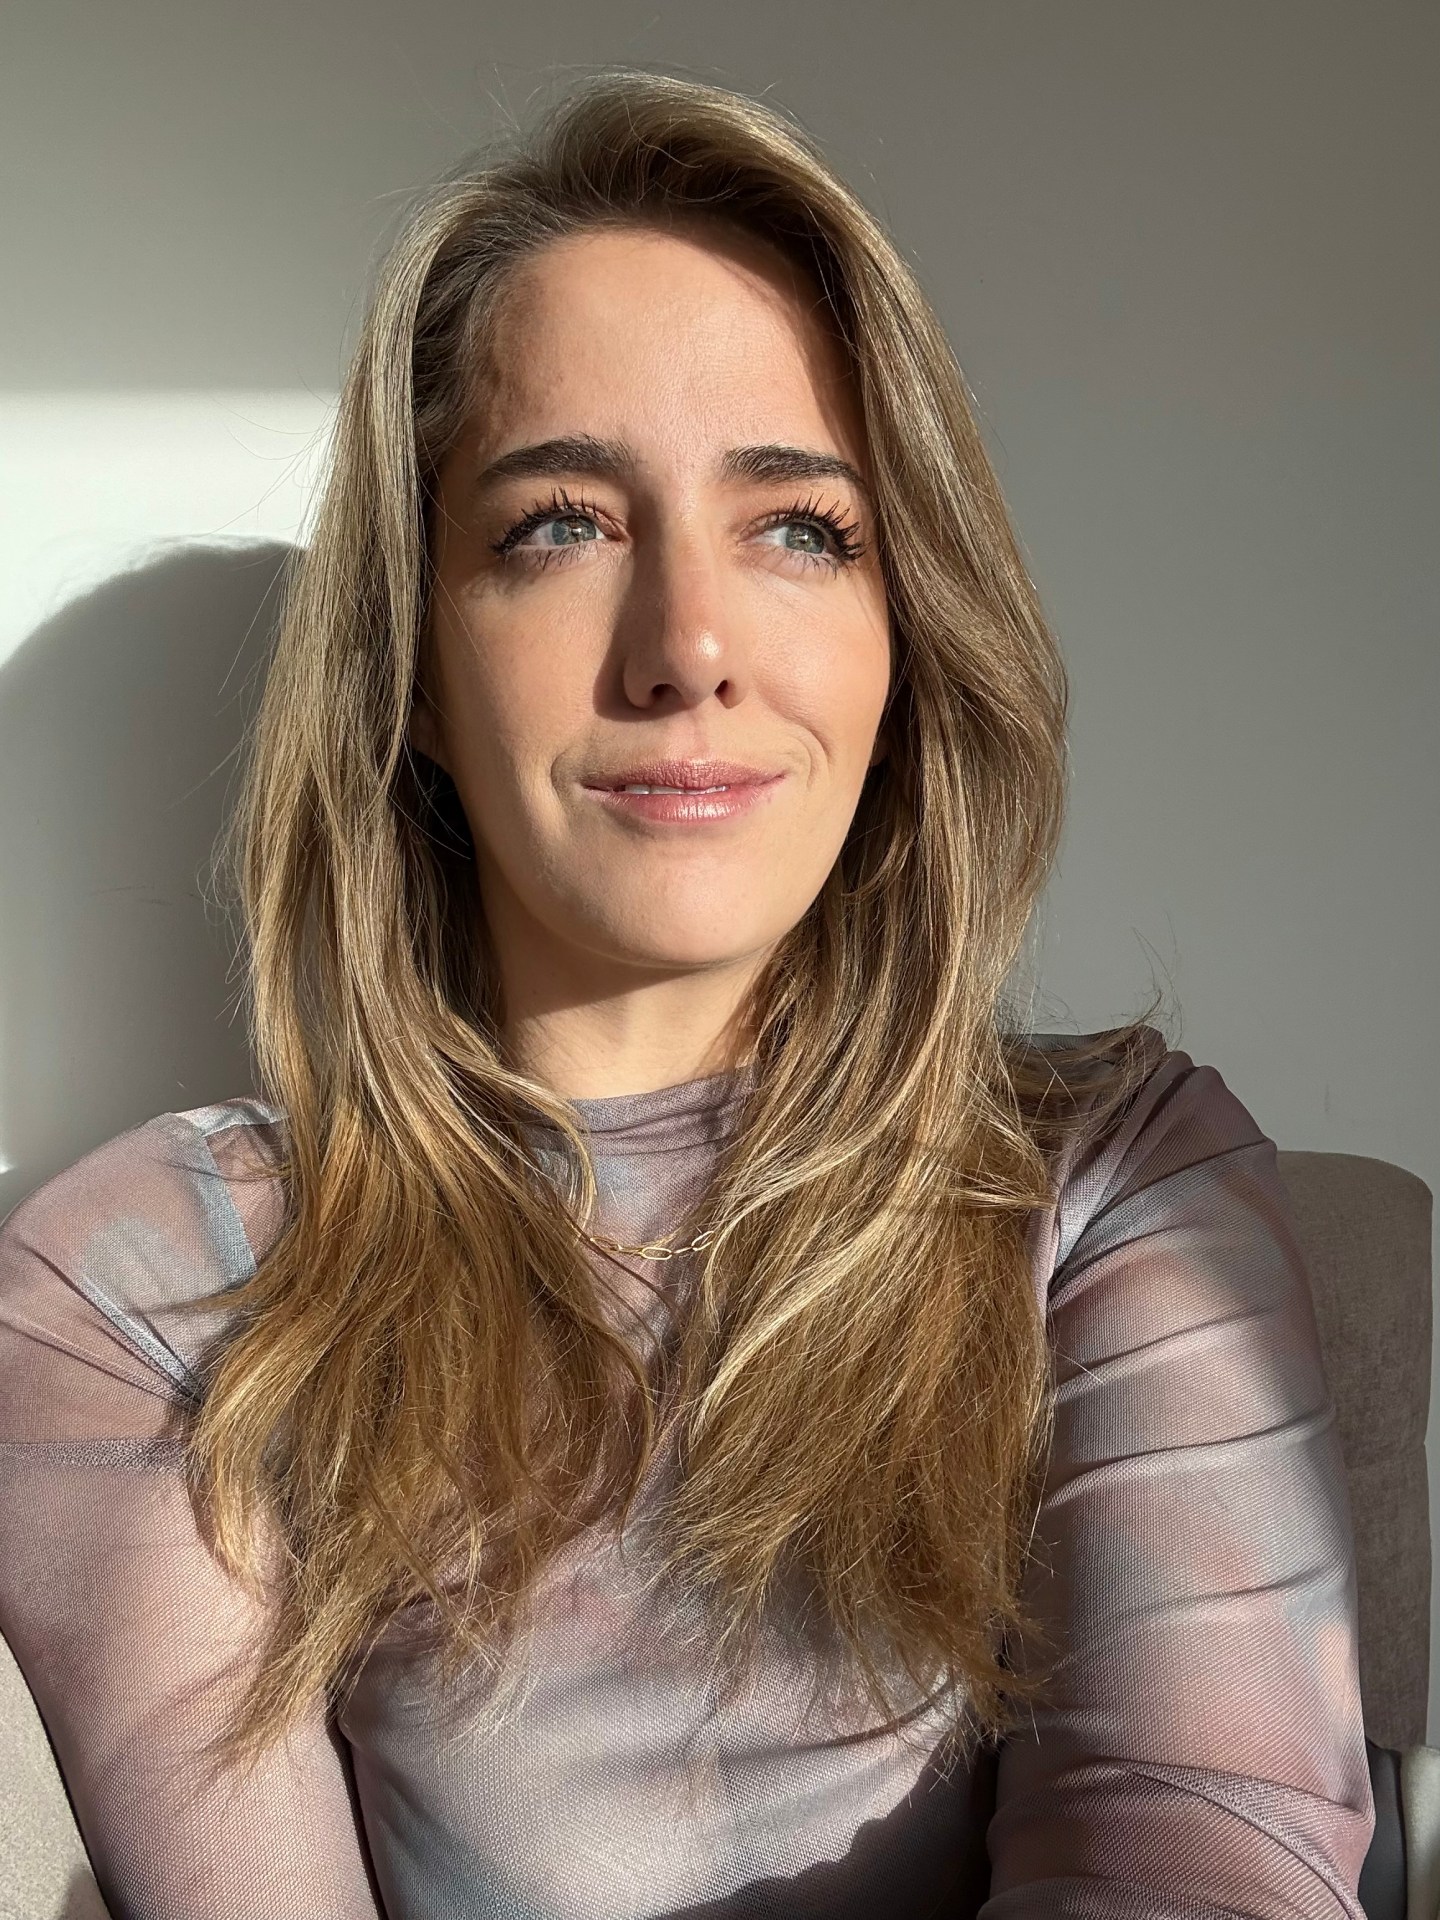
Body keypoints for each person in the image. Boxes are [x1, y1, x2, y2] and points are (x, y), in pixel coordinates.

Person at [0, 66, 1375, 1920]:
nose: (689, 648)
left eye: (801, 527)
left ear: (906, 639)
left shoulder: (1116, 1193)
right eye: (558, 525)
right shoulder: (147, 1297)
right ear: (412, 668)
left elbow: (1202, 1860)